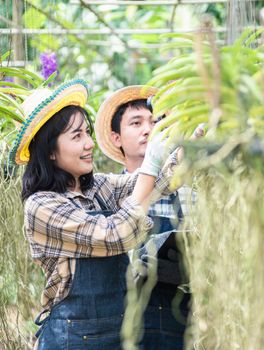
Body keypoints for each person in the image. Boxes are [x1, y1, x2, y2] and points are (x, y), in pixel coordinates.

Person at [9, 79, 179, 349]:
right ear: (50, 150)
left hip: (117, 335)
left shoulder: (98, 187)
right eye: (77, 136)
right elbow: (115, 235)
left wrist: (184, 145)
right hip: (71, 340)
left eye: (87, 133)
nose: (89, 144)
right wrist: (151, 162)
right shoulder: (42, 206)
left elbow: (154, 183)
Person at [95, 85, 197, 349]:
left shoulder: (188, 194)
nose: (148, 130)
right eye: (136, 122)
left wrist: (189, 274)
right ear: (116, 137)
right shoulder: (107, 196)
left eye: (154, 122)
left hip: (181, 325)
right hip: (120, 325)